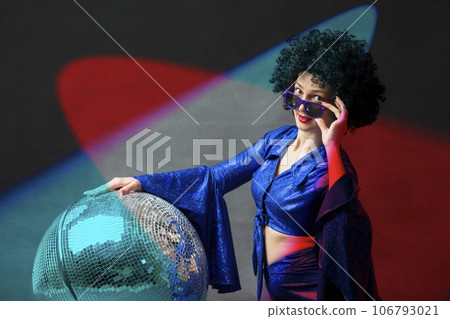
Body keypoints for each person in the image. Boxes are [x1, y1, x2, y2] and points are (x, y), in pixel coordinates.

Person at [85, 29, 385, 301]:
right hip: (269, 283)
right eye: (297, 94)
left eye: (316, 100)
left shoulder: (332, 169)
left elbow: (343, 219)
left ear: (341, 107)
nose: (302, 108)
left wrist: (332, 145)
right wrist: (144, 183)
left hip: (308, 289)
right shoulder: (276, 142)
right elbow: (216, 178)